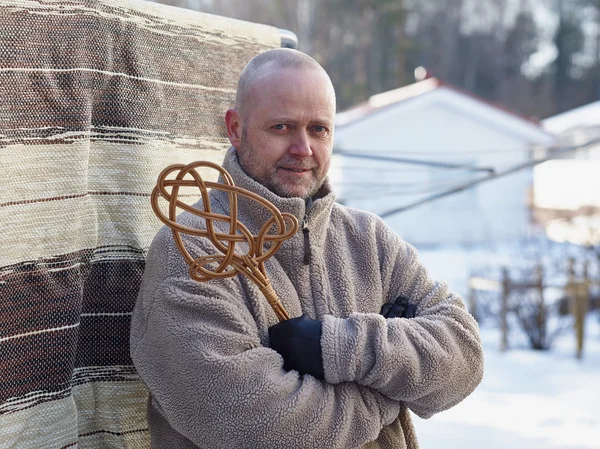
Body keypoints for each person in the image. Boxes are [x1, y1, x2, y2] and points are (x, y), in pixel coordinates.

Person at [130, 48, 484, 449]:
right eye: (281, 127)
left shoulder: (369, 240)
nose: (303, 149)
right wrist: (389, 391)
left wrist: (335, 347)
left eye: (319, 129)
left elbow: (464, 357)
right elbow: (258, 426)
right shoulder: (193, 248)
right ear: (235, 127)